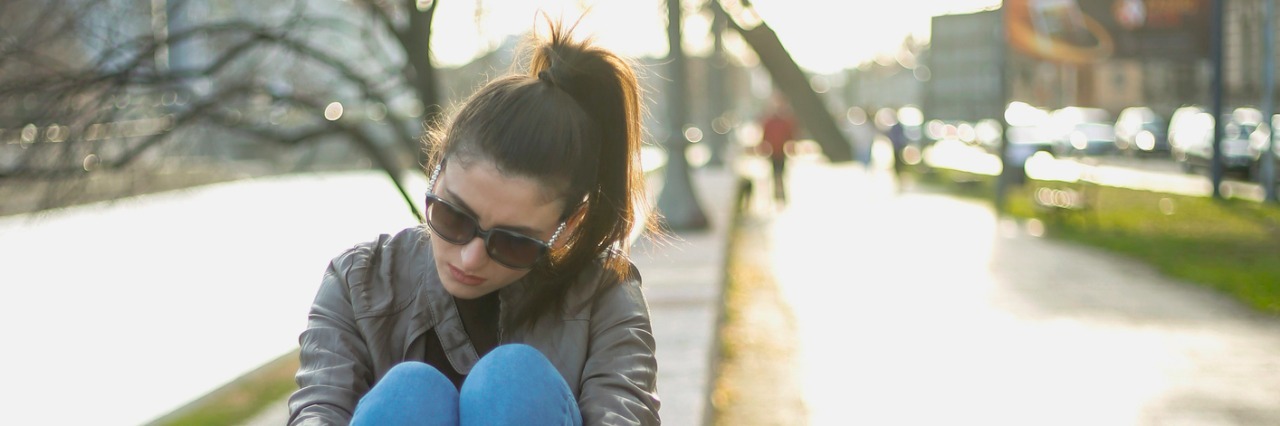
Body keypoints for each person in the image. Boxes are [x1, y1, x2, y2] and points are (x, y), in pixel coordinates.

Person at [288, 22, 660, 425]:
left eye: (513, 242)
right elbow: (317, 410)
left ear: (567, 227)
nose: (469, 259)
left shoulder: (603, 293)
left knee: (512, 381)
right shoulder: (358, 283)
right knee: (409, 394)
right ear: (436, 171)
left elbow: (625, 414)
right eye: (454, 216)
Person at [758, 98, 797, 204]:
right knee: (776, 174)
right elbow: (766, 137)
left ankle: (780, 195)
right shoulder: (771, 122)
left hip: (780, 151)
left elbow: (789, 136)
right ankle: (777, 195)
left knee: (779, 173)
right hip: (774, 152)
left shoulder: (783, 122)